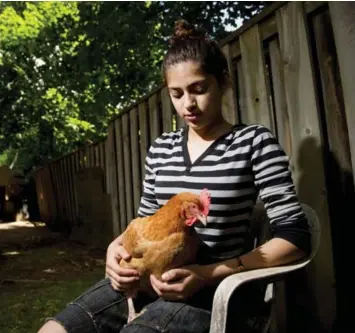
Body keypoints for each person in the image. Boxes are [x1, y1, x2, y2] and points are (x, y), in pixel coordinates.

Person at [38, 20, 311, 333]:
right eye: (176, 94)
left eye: (199, 89)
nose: (188, 105)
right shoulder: (162, 148)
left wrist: (205, 274)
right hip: (143, 280)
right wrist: (115, 251)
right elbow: (145, 224)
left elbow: (295, 238)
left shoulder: (254, 142)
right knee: (53, 330)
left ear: (223, 82)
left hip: (213, 290)